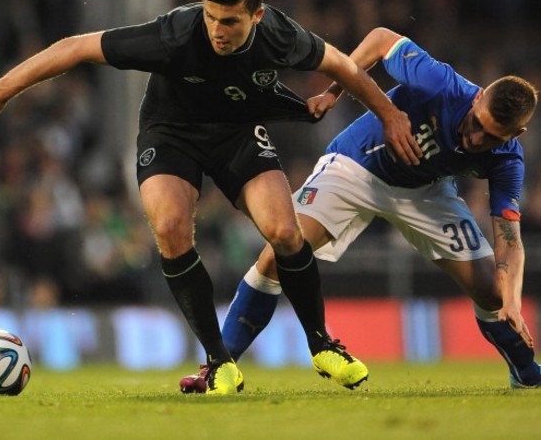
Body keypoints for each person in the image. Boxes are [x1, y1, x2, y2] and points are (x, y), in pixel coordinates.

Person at [0, 0, 422, 395]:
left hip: (237, 132)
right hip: (171, 133)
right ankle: (220, 361)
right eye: (211, 17)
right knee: (170, 228)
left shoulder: (281, 35)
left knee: (285, 231)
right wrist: (5, 87)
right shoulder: (174, 35)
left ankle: (322, 346)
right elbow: (76, 47)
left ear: (257, 16)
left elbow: (343, 65)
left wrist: (390, 114)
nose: (217, 31)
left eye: (230, 22)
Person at [180, 26, 541, 392]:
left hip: (426, 191)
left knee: (494, 292)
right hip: (356, 167)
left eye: (492, 136)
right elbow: (382, 39)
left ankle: (527, 374)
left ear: (517, 134)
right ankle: (218, 367)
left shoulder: (507, 160)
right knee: (279, 254)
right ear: (478, 98)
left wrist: (513, 300)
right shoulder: (440, 84)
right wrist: (335, 91)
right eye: (477, 123)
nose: (476, 138)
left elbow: (509, 237)